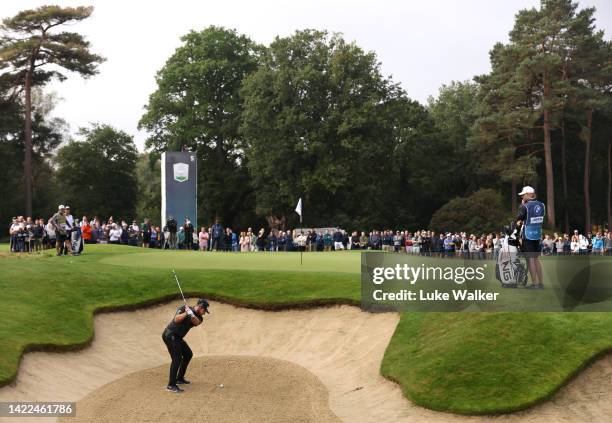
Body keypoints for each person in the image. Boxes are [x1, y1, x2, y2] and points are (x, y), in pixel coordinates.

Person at [161, 299, 210, 393]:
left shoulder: (199, 317)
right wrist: (186, 313)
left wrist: (191, 314)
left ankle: (179, 378)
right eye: (204, 310)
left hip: (178, 337)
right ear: (200, 307)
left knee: (188, 354)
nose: (204, 313)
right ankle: (171, 385)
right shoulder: (183, 308)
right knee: (177, 359)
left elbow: (196, 322)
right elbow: (176, 319)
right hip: (170, 335)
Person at [516, 186, 545, 288]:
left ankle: (535, 283)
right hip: (537, 234)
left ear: (528, 194)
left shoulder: (525, 206)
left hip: (527, 235)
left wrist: (522, 205)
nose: (522, 197)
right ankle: (540, 283)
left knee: (530, 259)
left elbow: (518, 220)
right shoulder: (542, 205)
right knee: (536, 258)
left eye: (523, 195)